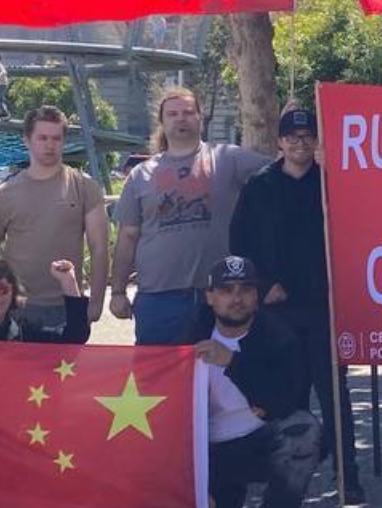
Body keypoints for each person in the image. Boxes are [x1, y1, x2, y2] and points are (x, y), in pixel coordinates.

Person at [227, 106, 366, 503]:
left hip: (324, 308)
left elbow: (355, 232)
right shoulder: (259, 187)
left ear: (316, 142)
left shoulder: (330, 185)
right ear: (280, 142)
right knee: (286, 398)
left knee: (334, 394)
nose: (300, 144)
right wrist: (261, 286)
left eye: (307, 137)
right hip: (277, 312)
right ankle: (286, 484)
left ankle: (347, 475)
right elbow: (240, 242)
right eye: (292, 138)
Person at [109, 86, 265, 346]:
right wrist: (117, 291)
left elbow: (283, 169)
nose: (181, 118)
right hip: (158, 300)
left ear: (200, 117)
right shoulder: (140, 175)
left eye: (188, 112)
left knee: (223, 370)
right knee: (156, 371)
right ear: (162, 122)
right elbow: (127, 236)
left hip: (221, 296)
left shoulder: (228, 159)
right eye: (172, 114)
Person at [190, 255, 324, 508]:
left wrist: (233, 362)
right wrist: (194, 487)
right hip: (207, 453)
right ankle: (220, 500)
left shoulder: (280, 336)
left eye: (245, 290)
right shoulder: (190, 337)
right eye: (226, 290)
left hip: (258, 442)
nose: (236, 299)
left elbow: (287, 400)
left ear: (257, 295)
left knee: (304, 432)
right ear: (209, 296)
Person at [0, 105, 110, 335]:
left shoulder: (85, 187)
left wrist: (96, 302)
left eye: (56, 138)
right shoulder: (4, 193)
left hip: (68, 306)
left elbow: (99, 248)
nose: (50, 145)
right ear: (27, 140)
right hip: (16, 308)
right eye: (42, 138)